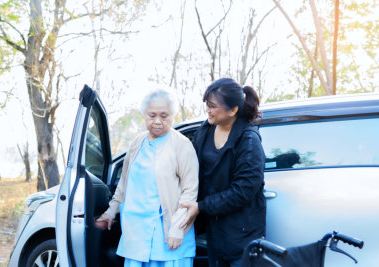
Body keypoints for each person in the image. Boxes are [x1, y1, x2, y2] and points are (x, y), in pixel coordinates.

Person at [96, 90, 199, 267]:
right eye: (152, 115)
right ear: (144, 115)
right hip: (136, 234)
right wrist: (110, 212)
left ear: (172, 116)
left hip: (168, 235)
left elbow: (190, 191)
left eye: (164, 116)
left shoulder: (182, 145)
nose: (157, 121)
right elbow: (124, 184)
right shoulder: (137, 143)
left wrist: (177, 228)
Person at [181, 78, 266, 267]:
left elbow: (243, 191)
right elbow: (189, 166)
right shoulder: (205, 130)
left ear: (233, 110)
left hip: (242, 234)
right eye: (206, 105)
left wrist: (201, 206)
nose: (208, 110)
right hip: (215, 231)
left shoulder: (249, 141)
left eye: (212, 106)